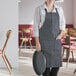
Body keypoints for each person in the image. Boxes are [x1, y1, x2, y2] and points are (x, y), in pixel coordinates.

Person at [33, 0, 66, 76]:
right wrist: (37, 43)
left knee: (55, 69)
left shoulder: (59, 9)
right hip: (44, 43)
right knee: (45, 71)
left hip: (56, 42)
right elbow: (35, 27)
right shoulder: (39, 9)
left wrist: (61, 34)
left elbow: (62, 24)